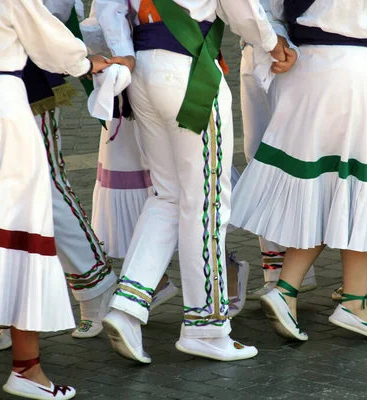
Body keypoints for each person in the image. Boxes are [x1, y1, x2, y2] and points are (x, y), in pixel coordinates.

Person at [230, 0, 367, 340]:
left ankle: (286, 290)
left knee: (321, 186)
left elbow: (268, 9)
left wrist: (278, 40)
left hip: (301, 68)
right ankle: (353, 304)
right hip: (351, 71)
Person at [95, 0, 293, 363]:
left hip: (143, 68)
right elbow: (243, 9)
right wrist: (271, 42)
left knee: (167, 196)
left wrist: (123, 51)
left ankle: (126, 307)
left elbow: (107, 8)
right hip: (189, 69)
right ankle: (206, 327)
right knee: (207, 202)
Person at [0, 0, 110, 397]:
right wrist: (87, 61)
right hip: (1, 110)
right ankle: (26, 369)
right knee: (20, 227)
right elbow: (51, 41)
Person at [239, 21, 317, 300]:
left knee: (286, 161)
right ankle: (276, 270)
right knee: (258, 158)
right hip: (254, 49)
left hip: (289, 53)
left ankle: (292, 272)